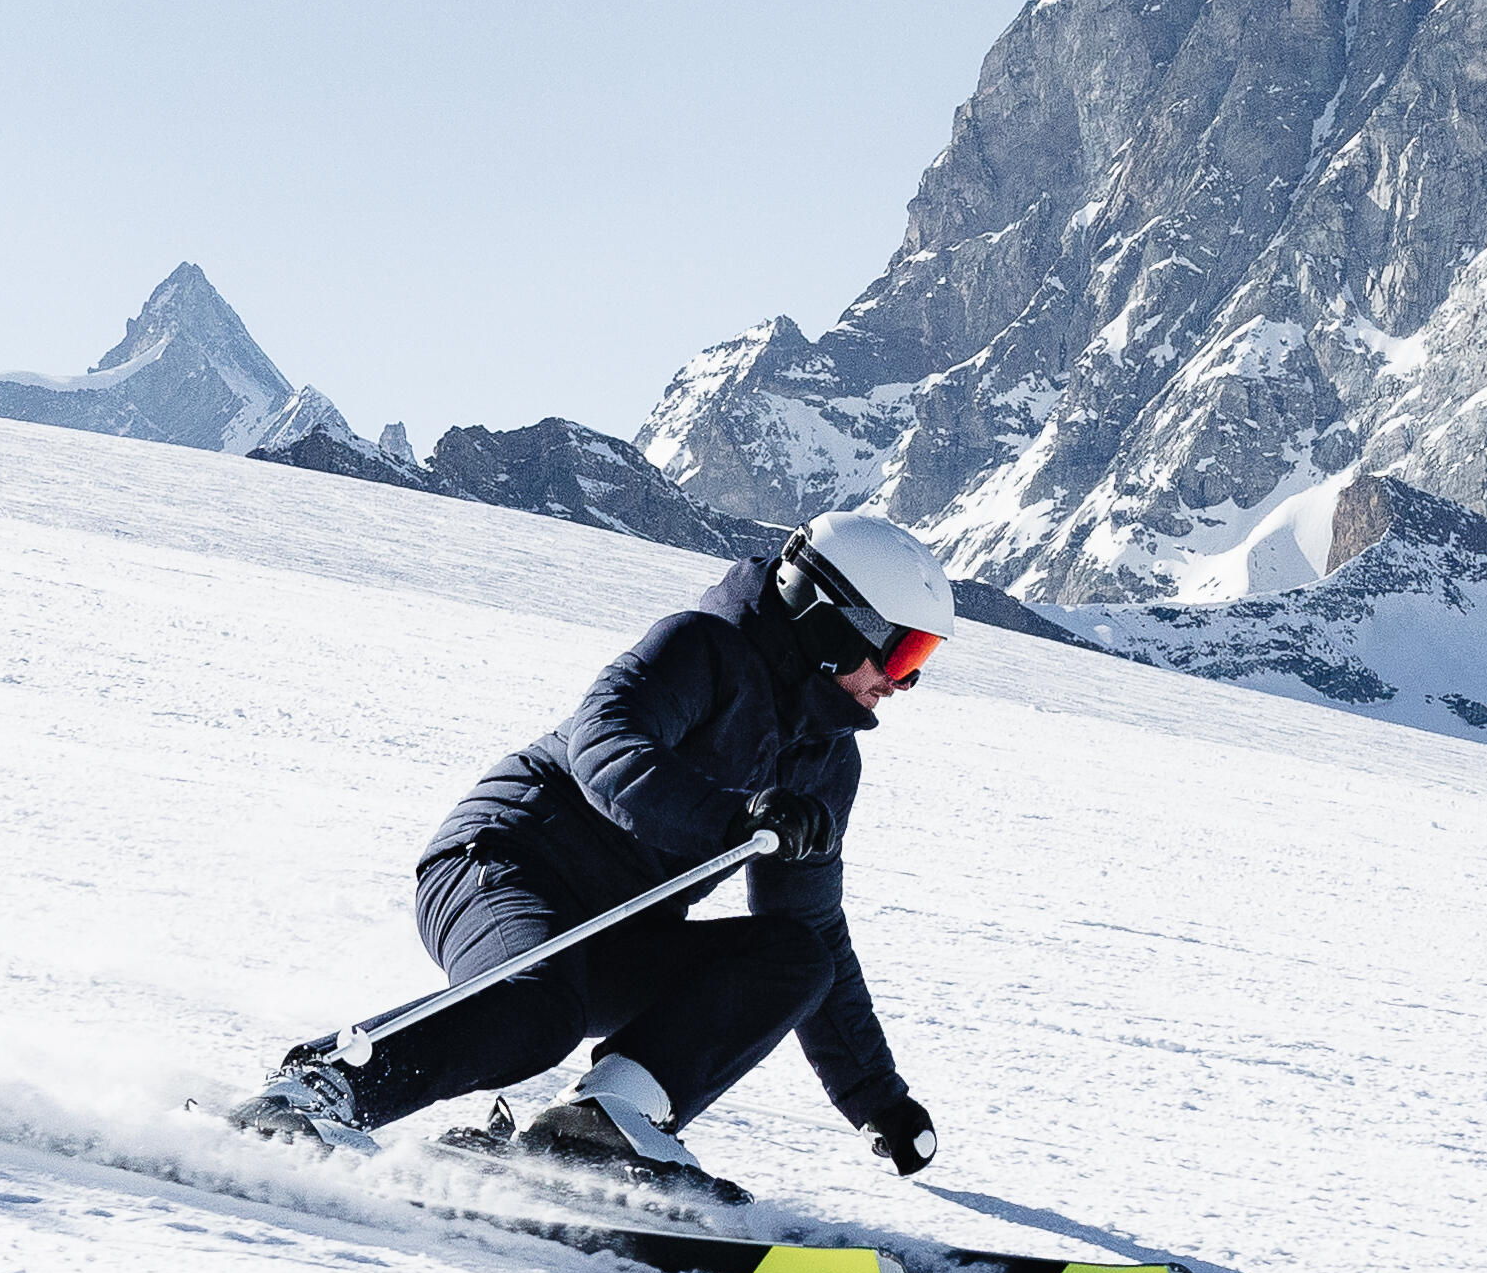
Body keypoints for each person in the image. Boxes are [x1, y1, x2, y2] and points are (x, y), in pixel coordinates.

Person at [234, 510, 956, 1201]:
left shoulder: (824, 761)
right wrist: (733, 817)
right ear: (827, 619)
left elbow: (812, 922)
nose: (902, 682)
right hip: (499, 861)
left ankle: (600, 1124)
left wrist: (877, 1098)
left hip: (618, 931)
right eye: (900, 651)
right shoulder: (701, 647)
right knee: (536, 1006)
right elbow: (605, 747)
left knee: (794, 955)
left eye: (919, 661)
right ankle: (323, 1086)